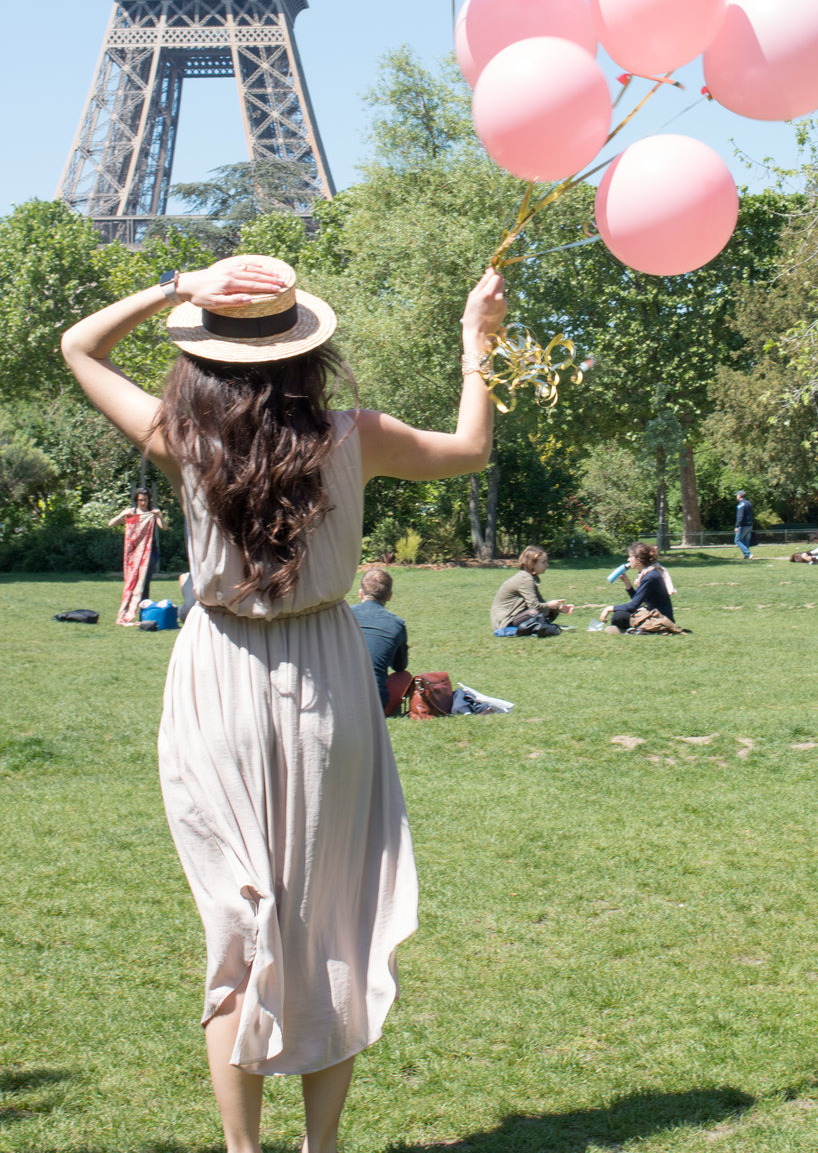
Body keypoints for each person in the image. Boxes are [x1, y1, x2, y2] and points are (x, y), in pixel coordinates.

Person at [61, 253, 505, 1153]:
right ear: (306, 350)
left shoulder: (180, 438)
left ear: (202, 354)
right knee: (329, 916)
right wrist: (476, 344)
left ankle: (242, 1151)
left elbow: (79, 345)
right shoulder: (355, 435)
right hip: (326, 681)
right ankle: (322, 1147)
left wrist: (176, 284)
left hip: (216, 674)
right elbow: (471, 449)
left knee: (237, 925)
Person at [350, 567, 412, 716]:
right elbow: (399, 666)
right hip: (374, 703)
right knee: (405, 677)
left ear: (360, 593)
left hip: (337, 696)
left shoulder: (344, 615)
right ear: (389, 596)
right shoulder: (397, 624)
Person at [599, 542, 689, 633]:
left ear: (638, 560)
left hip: (661, 618)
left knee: (618, 616)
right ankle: (633, 629)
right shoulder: (647, 574)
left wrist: (609, 608)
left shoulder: (650, 577)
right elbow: (637, 600)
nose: (628, 560)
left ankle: (638, 630)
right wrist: (627, 583)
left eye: (630, 557)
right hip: (654, 614)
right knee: (619, 615)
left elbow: (633, 606)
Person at [107, 486, 165, 624]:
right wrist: (122, 515)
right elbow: (111, 524)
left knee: (144, 582)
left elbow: (163, 527)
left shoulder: (152, 514)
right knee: (131, 582)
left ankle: (142, 614)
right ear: (136, 500)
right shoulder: (131, 513)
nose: (143, 503)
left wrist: (160, 516)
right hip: (133, 554)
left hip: (150, 552)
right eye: (140, 500)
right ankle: (127, 611)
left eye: (145, 500)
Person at [489, 546, 574, 633]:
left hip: (515, 617)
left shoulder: (530, 577)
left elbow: (540, 605)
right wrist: (549, 605)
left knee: (543, 614)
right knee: (534, 613)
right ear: (532, 564)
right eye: (543, 562)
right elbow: (534, 606)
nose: (547, 565)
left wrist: (558, 609)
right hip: (504, 623)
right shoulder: (525, 579)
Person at [734, 489, 754, 561]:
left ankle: (748, 554)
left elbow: (740, 516)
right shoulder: (749, 503)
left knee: (737, 540)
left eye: (737, 495)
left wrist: (737, 526)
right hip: (749, 525)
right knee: (746, 541)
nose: (736, 497)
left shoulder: (741, 504)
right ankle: (746, 556)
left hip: (743, 525)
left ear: (739, 496)